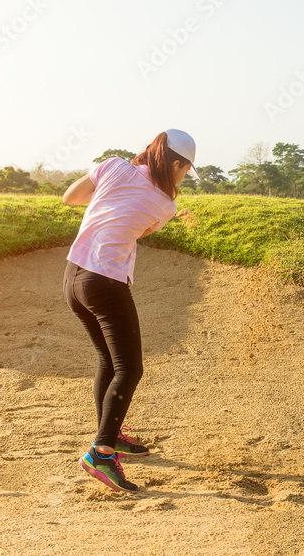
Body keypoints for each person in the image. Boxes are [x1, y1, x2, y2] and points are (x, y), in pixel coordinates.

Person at [61, 129, 199, 493]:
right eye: (185, 170)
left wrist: (106, 191)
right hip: (105, 283)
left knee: (109, 361)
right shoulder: (166, 204)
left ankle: (111, 435)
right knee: (130, 368)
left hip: (73, 277)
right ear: (175, 164)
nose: (184, 177)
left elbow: (69, 198)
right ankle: (102, 453)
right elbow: (142, 228)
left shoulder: (113, 167)